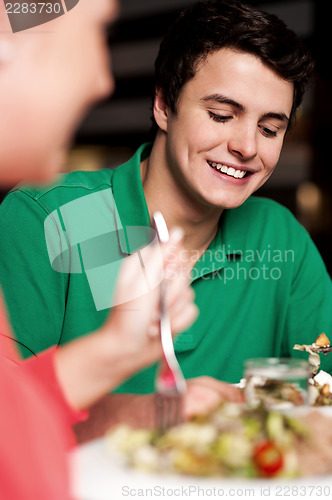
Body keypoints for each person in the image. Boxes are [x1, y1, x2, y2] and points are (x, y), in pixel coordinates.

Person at [0, 0, 331, 439]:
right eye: (220, 115)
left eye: (270, 129)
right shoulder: (46, 217)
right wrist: (153, 414)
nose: (247, 146)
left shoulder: (281, 238)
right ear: (162, 105)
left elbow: (321, 392)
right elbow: (9, 422)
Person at [0, 1, 243, 498]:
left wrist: (112, 352)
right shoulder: (42, 214)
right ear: (6, 42)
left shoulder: (278, 232)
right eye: (94, 32)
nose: (101, 80)